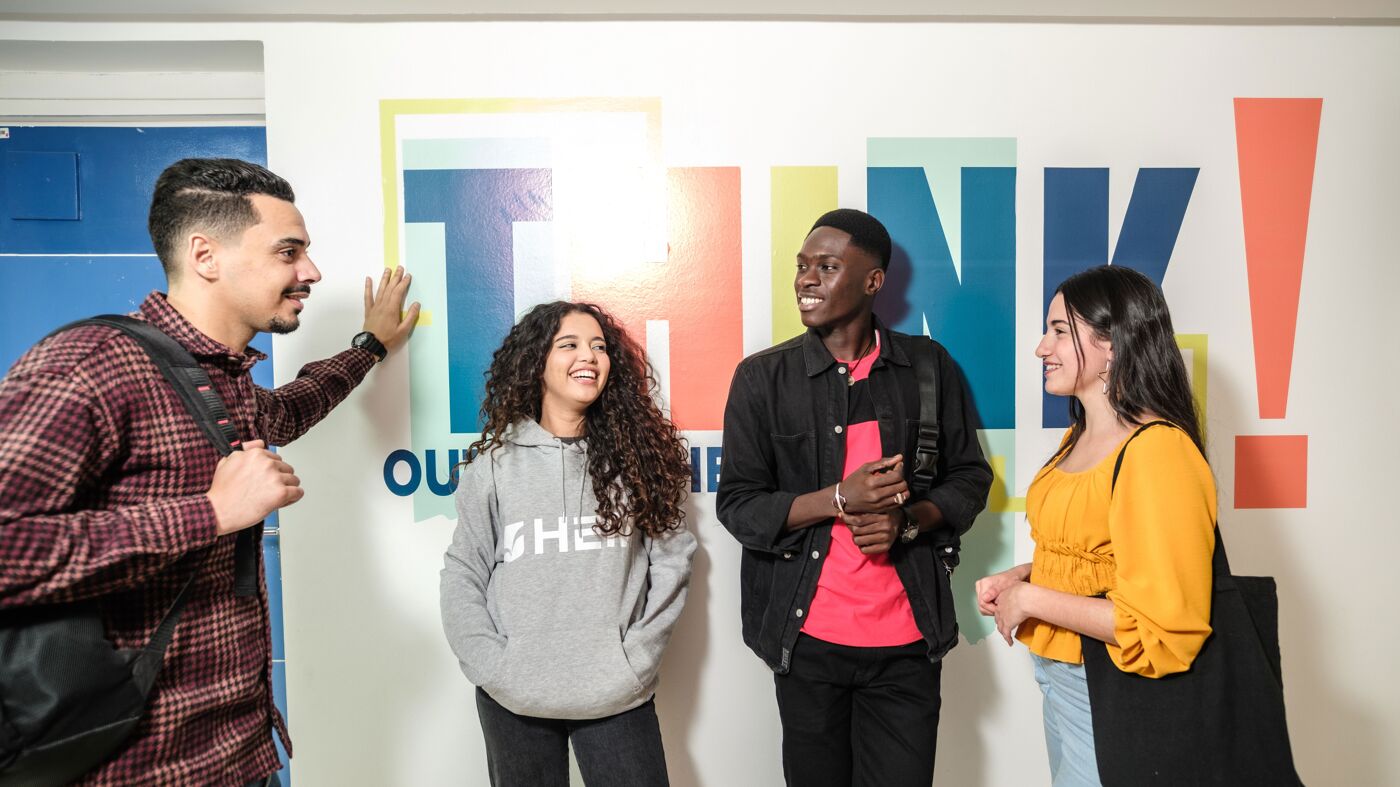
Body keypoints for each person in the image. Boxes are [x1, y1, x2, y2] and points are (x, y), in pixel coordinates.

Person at [0, 158, 419, 786]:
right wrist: (213, 513)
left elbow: (295, 405)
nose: (311, 272)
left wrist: (369, 346)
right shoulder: (91, 364)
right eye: (289, 252)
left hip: (244, 755)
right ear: (205, 255)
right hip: (140, 770)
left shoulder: (222, 382)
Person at [716, 209, 993, 786]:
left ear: (873, 281)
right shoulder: (761, 379)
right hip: (808, 642)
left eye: (827, 265)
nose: (806, 279)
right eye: (802, 266)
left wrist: (908, 523)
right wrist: (839, 498)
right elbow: (739, 506)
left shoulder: (929, 368)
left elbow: (969, 479)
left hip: (908, 646)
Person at [975, 264, 1215, 787]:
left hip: (1114, 689)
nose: (1042, 347)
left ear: (1112, 344)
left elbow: (1162, 626)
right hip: (1062, 678)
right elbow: (1102, 559)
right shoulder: (1079, 439)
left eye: (1060, 331)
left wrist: (1033, 602)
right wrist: (1027, 576)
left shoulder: (1158, 452)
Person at [440, 301, 696, 787]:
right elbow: (463, 572)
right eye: (570, 345)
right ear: (536, 361)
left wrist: (634, 660)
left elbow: (672, 559)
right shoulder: (494, 466)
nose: (590, 356)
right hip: (514, 696)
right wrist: (494, 666)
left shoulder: (639, 460)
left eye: (599, 346)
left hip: (617, 693)